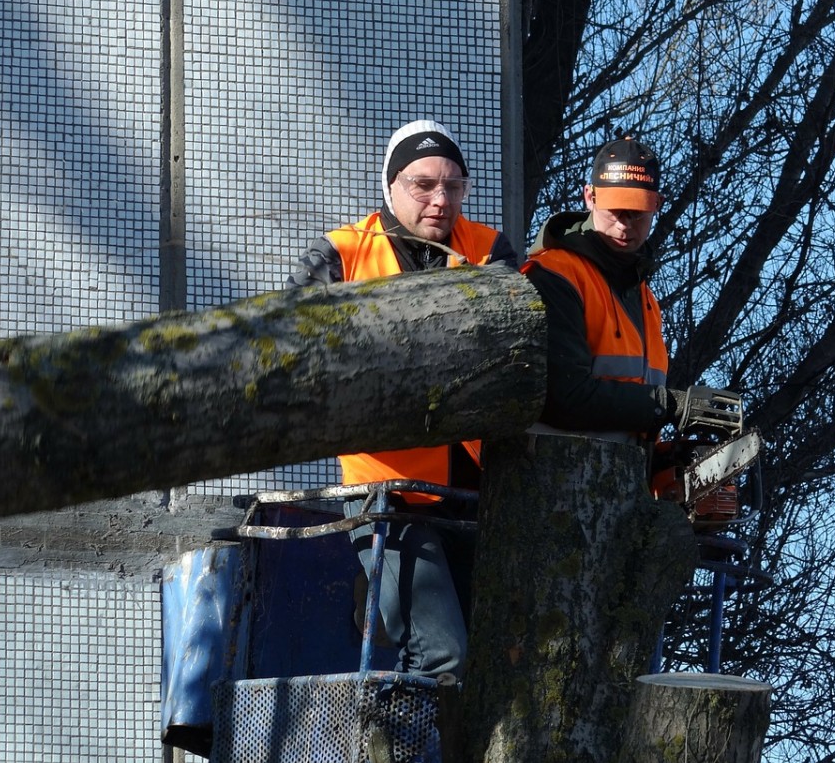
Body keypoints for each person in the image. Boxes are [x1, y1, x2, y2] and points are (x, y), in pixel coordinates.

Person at [287, 119, 517, 680]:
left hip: (473, 493)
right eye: (424, 185)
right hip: (388, 493)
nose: (441, 200)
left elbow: (511, 351)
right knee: (442, 655)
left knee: (486, 664)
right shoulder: (339, 255)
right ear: (390, 186)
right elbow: (300, 363)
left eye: (453, 185)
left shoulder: (489, 249)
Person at [522, 135, 679, 442]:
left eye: (636, 213)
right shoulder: (553, 275)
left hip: (613, 479)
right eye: (615, 210)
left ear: (657, 205)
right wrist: (669, 406)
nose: (624, 224)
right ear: (589, 197)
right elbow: (564, 397)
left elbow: (634, 417)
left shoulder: (646, 299)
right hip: (555, 476)